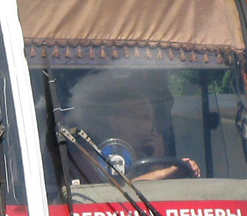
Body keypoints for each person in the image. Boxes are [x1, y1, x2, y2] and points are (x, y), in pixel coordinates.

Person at [68, 73, 200, 181]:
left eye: (146, 118)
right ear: (114, 121)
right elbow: (117, 193)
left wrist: (155, 160)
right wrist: (167, 173)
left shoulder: (153, 154)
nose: (142, 126)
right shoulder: (91, 154)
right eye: (132, 116)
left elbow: (159, 194)